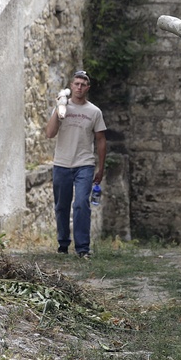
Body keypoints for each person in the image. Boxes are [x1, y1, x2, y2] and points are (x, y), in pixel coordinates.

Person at [45, 70, 107, 257]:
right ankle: (63, 244)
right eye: (76, 84)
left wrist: (101, 167)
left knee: (81, 204)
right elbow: (49, 133)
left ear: (87, 88)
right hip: (62, 163)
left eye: (83, 84)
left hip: (84, 164)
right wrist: (58, 109)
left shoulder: (94, 112)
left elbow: (101, 140)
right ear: (71, 86)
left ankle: (82, 249)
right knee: (61, 206)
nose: (79, 87)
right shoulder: (62, 107)